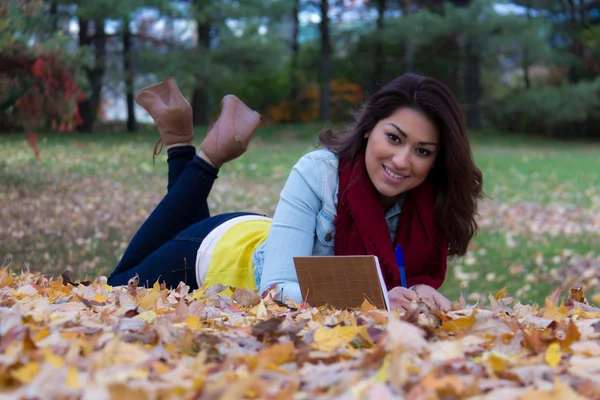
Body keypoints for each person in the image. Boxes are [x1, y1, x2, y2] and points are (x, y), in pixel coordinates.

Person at [107, 74, 483, 312]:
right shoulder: (318, 171)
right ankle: (204, 155)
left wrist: (418, 292)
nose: (402, 161)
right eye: (394, 138)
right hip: (216, 251)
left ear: (437, 159)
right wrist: (379, 297)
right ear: (369, 128)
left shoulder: (432, 202)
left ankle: (179, 137)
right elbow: (275, 287)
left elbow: (401, 281)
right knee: (116, 285)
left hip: (260, 232)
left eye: (422, 151)